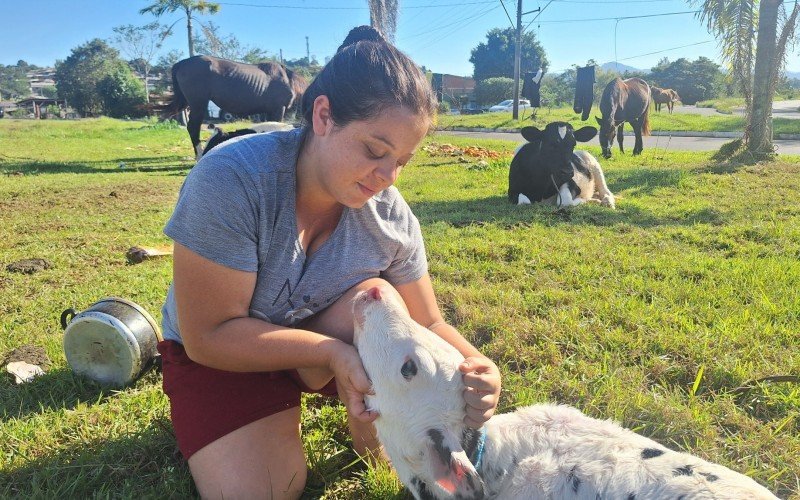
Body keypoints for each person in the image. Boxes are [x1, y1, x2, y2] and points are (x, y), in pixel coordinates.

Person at [158, 25, 502, 499]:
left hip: (321, 336)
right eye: (375, 151)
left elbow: (429, 320)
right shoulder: (232, 179)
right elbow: (209, 336)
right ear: (323, 116)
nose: (387, 177)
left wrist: (477, 363)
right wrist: (330, 354)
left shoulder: (390, 216)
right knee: (269, 489)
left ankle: (364, 427)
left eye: (402, 160)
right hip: (223, 355)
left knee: (373, 300)